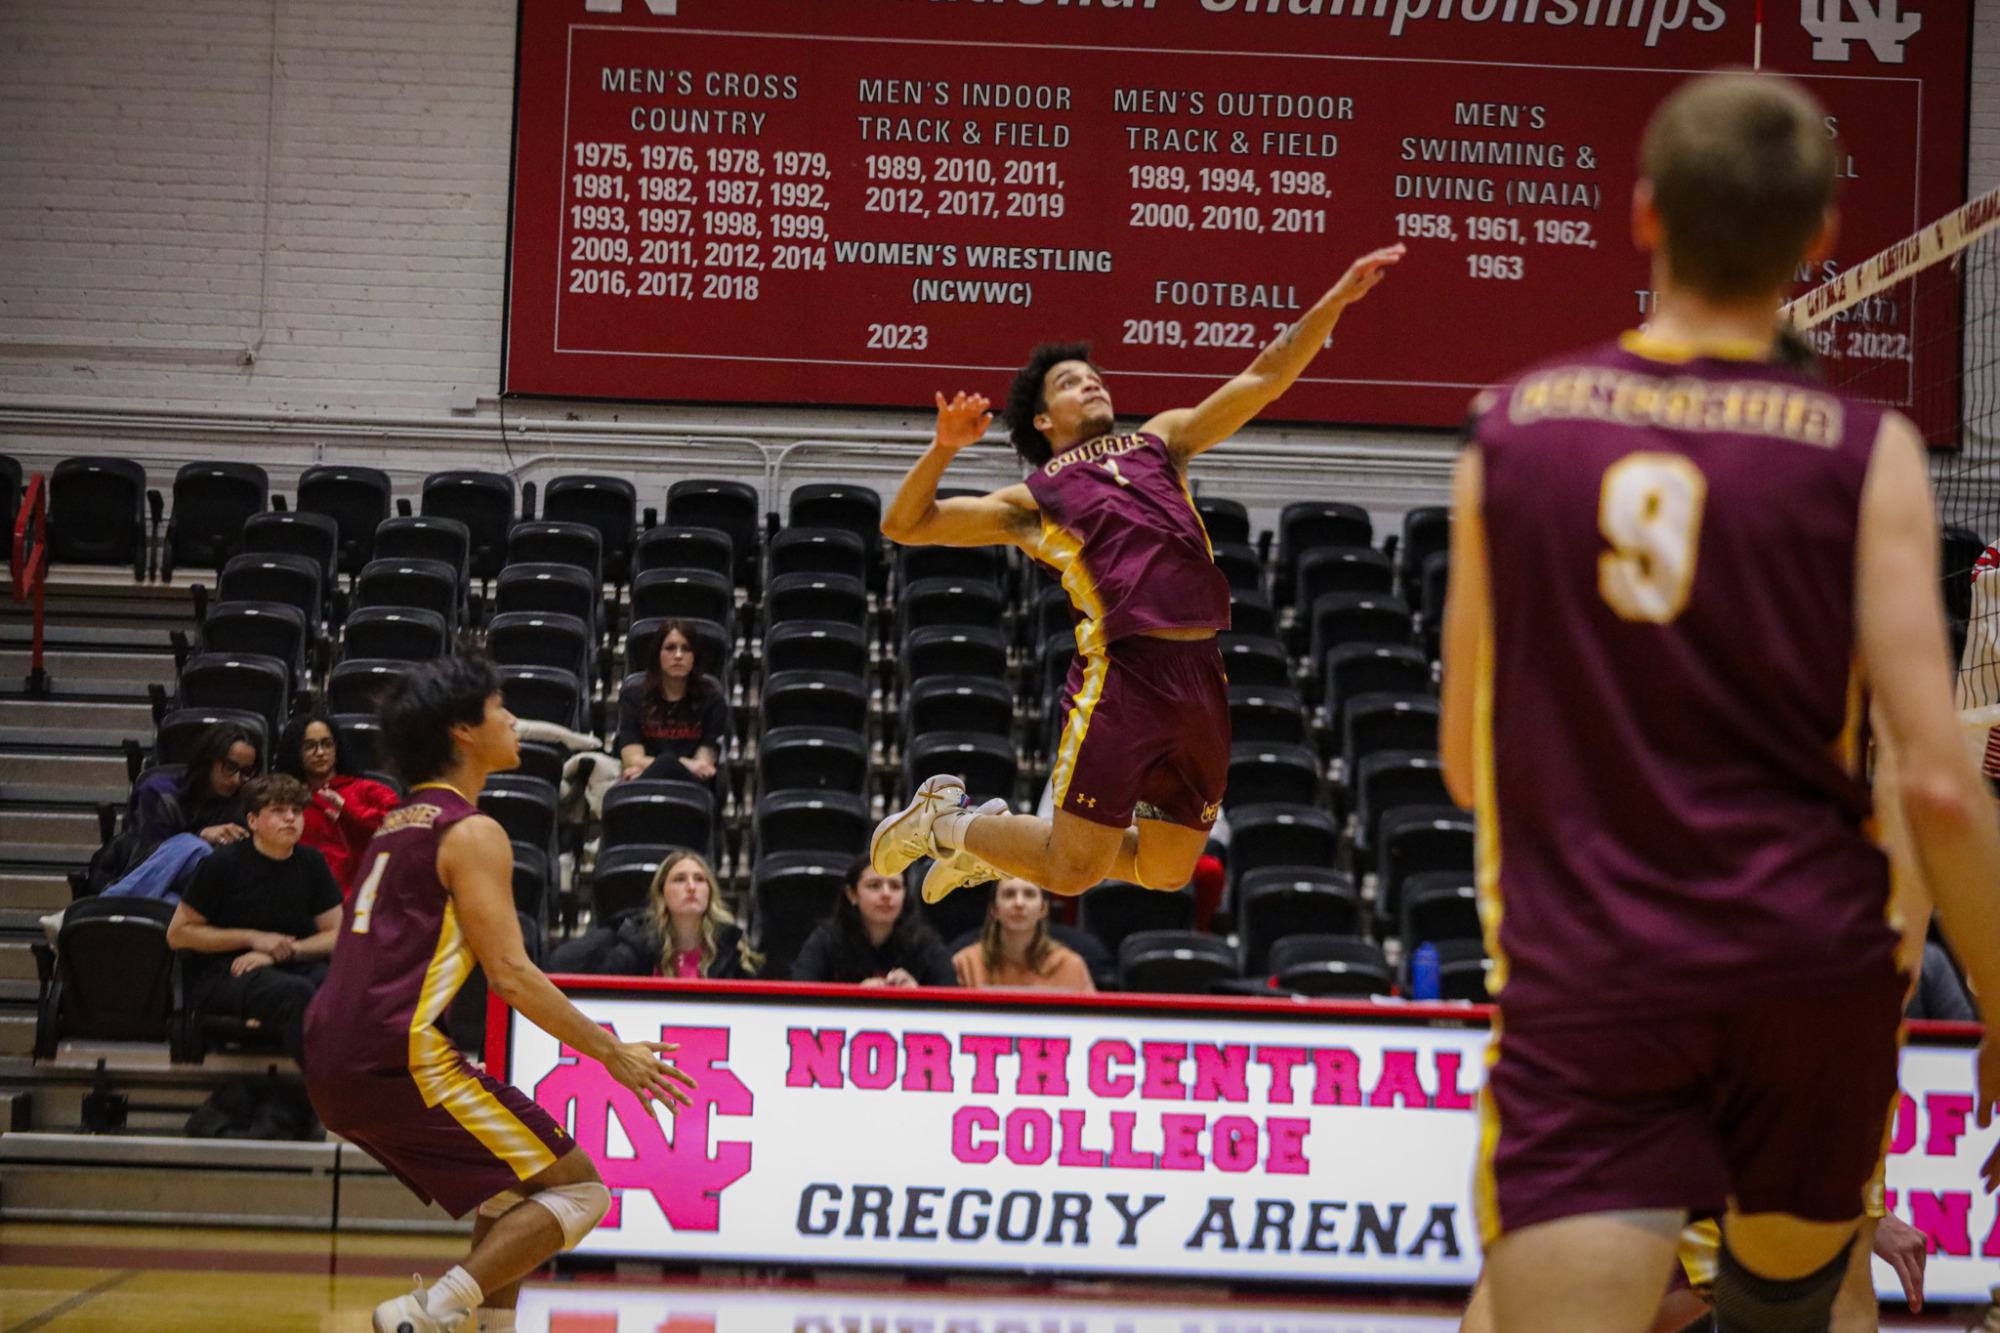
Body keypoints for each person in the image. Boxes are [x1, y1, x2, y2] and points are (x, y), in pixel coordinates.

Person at [1437, 72, 2000, 1333]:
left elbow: (1468, 764)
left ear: (1641, 215)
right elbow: (1929, 778)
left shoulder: (1512, 428)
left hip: (1601, 976)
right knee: (1790, 1300)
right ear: (1818, 239)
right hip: (1804, 974)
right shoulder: (1868, 451)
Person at [870, 243, 1403, 905]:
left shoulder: (1163, 440)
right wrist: (943, 447)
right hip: (1125, 675)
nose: (1090, 383)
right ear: (1043, 419)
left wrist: (1336, 300)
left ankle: (994, 838)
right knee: (1071, 871)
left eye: (1093, 376)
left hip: (1203, 672)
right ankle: (945, 821)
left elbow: (1264, 378)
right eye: (1069, 382)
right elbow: (906, 523)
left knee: (1167, 870)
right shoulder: (1033, 498)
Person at [302, 656, 696, 1333]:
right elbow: (511, 975)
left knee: (512, 1182)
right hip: (397, 1052)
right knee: (580, 1188)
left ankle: (495, 1325)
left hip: (330, 1051)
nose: (514, 719)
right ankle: (426, 1310)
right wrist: (612, 1053)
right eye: (500, 708)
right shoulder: (471, 830)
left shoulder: (398, 823)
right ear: (462, 730)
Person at [166, 774, 342, 1067]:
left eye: (296, 811)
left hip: (288, 962)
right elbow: (179, 934)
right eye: (278, 811)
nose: (290, 819)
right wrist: (252, 938)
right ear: (253, 821)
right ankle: (328, 1090)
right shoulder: (222, 864)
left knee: (338, 985)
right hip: (226, 970)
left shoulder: (311, 862)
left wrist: (283, 952)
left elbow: (337, 933)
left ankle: (356, 1081)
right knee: (295, 992)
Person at [547, 849, 759, 979]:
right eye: (679, 879)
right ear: (662, 894)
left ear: (710, 892)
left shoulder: (732, 953)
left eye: (700, 879)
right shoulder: (634, 949)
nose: (692, 887)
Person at [273, 712, 399, 892]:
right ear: (296, 751)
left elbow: (399, 824)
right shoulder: (286, 797)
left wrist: (350, 810)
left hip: (361, 896)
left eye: (327, 744)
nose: (321, 753)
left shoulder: (368, 790)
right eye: (310, 746)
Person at [791, 855, 956, 987]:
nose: (886, 894)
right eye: (874, 885)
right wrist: (857, 998)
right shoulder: (825, 940)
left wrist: (917, 995)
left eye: (895, 886)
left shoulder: (925, 942)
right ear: (852, 894)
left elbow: (952, 1002)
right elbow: (799, 997)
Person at [614, 620, 728, 789]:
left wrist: (652, 768)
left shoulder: (712, 701)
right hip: (644, 787)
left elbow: (703, 767)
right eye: (670, 648)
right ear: (657, 654)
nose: (678, 656)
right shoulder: (633, 697)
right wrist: (673, 765)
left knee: (667, 762)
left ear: (694, 656)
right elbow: (632, 759)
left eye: (686, 649)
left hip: (690, 788)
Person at [952, 877, 1094, 991]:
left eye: (1029, 894)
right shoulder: (966, 964)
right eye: (1009, 894)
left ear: (1044, 909)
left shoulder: (1070, 967)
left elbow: (1092, 1023)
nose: (1019, 903)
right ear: (993, 909)